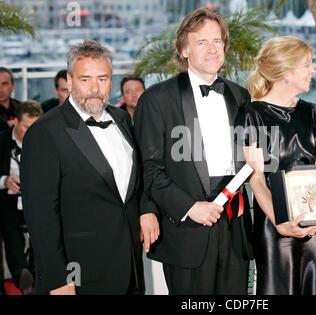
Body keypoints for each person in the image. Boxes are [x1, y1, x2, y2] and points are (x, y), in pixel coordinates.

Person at [20, 40, 159, 295]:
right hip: (80, 276)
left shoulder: (121, 118)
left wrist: (147, 209)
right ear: (70, 82)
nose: (95, 89)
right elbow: (40, 218)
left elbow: (136, 178)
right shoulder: (44, 133)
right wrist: (58, 280)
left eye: (103, 79)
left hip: (130, 268)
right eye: (85, 80)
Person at [134, 8, 253, 295]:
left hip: (234, 224)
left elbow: (253, 159)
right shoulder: (156, 98)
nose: (212, 49)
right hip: (187, 229)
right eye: (201, 42)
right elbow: (149, 168)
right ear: (184, 49)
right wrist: (190, 208)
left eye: (217, 41)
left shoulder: (240, 95)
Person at [235, 36, 316, 295]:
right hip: (274, 227)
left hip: (313, 227)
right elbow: (256, 177)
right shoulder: (252, 114)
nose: (312, 70)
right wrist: (281, 222)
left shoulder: (314, 112)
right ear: (285, 71)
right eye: (306, 64)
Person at [0, 101, 42, 295]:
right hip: (7, 205)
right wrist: (5, 180)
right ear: (15, 121)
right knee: (12, 239)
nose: (31, 132)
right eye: (26, 127)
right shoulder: (1, 141)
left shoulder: (44, 142)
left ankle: (33, 278)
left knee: (40, 240)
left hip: (36, 202)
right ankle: (22, 277)